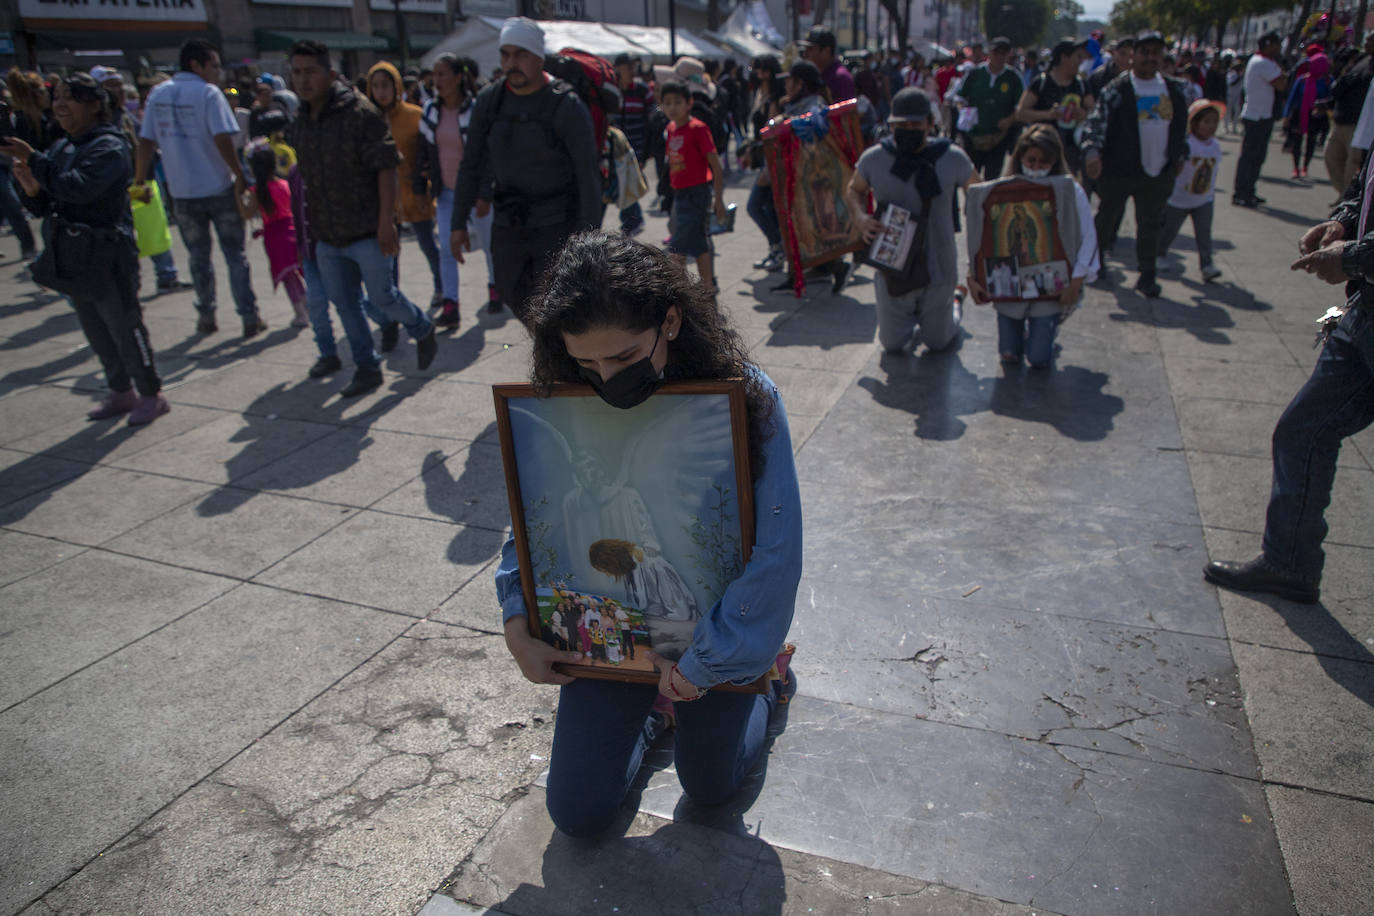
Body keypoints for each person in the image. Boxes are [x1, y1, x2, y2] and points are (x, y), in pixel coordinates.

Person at [496, 230, 801, 838]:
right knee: (578, 814)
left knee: (710, 787)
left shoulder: (747, 398)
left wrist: (711, 661)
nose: (606, 379)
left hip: (711, 632)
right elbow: (531, 525)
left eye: (624, 357)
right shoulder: (564, 394)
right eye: (587, 364)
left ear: (670, 321)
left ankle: (770, 681)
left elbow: (776, 551)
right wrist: (517, 624)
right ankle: (653, 713)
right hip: (609, 638)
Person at [1203, 148, 1374, 605]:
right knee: (1303, 430)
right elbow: (1365, 184)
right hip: (1366, 308)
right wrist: (1343, 220)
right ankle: (1289, 563)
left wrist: (1353, 257)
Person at [1, 74, 169, 425]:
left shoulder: (109, 146)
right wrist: (30, 186)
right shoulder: (62, 146)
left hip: (108, 254)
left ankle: (151, 393)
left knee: (124, 327)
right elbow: (48, 202)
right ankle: (121, 391)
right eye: (57, 97)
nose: (60, 105)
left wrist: (35, 161)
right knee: (96, 330)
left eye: (70, 97)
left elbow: (78, 189)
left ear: (94, 105)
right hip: (72, 253)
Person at [286, 39, 438, 396]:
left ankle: (421, 327)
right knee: (346, 305)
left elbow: (387, 168)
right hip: (326, 235)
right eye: (297, 72)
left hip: (368, 230)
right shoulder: (301, 120)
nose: (303, 80)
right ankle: (367, 367)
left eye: (310, 72)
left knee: (383, 298)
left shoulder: (359, 113)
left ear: (330, 74)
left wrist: (386, 222)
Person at [451, 17, 601, 323]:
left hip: (557, 222)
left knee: (558, 302)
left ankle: (555, 346)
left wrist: (589, 239)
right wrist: (457, 223)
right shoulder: (490, 102)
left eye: (520, 55)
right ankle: (548, 342)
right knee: (511, 293)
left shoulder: (566, 105)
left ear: (538, 58)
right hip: (509, 222)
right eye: (505, 55)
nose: (511, 63)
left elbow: (588, 176)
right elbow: (471, 164)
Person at [134, 39, 263, 337]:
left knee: (198, 258)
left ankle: (206, 316)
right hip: (218, 186)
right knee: (235, 256)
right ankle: (249, 317)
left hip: (182, 191)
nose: (218, 72)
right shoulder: (208, 93)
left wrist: (140, 180)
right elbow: (223, 138)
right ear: (196, 65)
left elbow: (146, 142)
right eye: (214, 65)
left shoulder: (158, 94)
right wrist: (239, 174)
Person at [845, 87, 975, 355]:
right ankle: (916, 319)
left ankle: (954, 304)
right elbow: (853, 190)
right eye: (901, 125)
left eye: (915, 125)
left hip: (939, 265)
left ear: (930, 123)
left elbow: (980, 192)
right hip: (894, 268)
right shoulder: (875, 158)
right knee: (892, 345)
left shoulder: (952, 157)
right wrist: (860, 217)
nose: (907, 130)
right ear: (891, 125)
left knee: (937, 343)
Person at [965, 124, 1098, 368]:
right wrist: (974, 275)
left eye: (1044, 162)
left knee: (1038, 359)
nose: (1036, 167)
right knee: (1009, 354)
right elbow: (983, 237)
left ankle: (1046, 332)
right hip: (1010, 284)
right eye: (1031, 160)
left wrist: (1076, 281)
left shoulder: (1071, 192)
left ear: (1055, 161)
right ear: (1020, 159)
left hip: (1050, 282)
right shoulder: (1001, 192)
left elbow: (1088, 238)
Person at [1082, 30, 1189, 298]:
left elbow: (1180, 127)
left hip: (1158, 170)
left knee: (1150, 224)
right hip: (1119, 169)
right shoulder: (1117, 89)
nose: (1150, 58)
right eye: (1145, 52)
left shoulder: (1174, 89)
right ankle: (1095, 262)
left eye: (1156, 53)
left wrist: (1180, 155)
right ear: (1134, 55)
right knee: (1107, 217)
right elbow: (1096, 123)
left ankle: (1147, 274)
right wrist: (1092, 153)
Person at [367, 59, 444, 327]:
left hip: (415, 194)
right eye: (376, 86)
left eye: (386, 85)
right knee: (390, 254)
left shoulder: (414, 116)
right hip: (385, 202)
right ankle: (392, 301)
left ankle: (442, 289)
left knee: (428, 245)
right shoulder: (367, 119)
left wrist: (425, 187)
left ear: (396, 86)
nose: (381, 92)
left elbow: (427, 155)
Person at [417, 53, 482, 327]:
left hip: (475, 193)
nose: (437, 79)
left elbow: (484, 153)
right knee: (446, 248)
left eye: (442, 73)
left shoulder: (474, 110)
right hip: (445, 192)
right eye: (434, 74)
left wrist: (485, 193)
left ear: (458, 77)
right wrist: (420, 187)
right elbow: (422, 151)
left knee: (489, 244)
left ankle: (495, 288)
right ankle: (451, 304)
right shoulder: (430, 111)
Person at [659, 80, 727, 291]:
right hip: (679, 194)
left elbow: (716, 165)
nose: (672, 107)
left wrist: (718, 199)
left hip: (697, 194)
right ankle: (707, 289)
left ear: (689, 103)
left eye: (677, 102)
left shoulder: (698, 128)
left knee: (676, 249)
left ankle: (678, 295)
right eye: (667, 103)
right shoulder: (670, 129)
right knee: (699, 245)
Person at [1158, 99, 1225, 283]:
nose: (1211, 126)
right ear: (1194, 123)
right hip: (1179, 199)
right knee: (1169, 230)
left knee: (1204, 233)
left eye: (1215, 121)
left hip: (1204, 199)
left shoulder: (1215, 146)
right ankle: (1159, 254)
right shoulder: (1186, 144)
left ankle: (1207, 265)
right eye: (1206, 121)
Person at [245, 140, 309, 327]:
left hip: (274, 238)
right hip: (292, 232)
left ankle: (300, 313)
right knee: (302, 273)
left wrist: (237, 195)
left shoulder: (257, 192)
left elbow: (247, 214)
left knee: (289, 279)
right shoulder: (284, 184)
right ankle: (309, 306)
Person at [1015, 38, 1093, 174]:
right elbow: (1021, 113)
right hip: (1041, 154)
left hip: (1071, 153)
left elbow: (1095, 112)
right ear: (1064, 57)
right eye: (1078, 56)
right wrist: (1048, 115)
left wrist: (1083, 114)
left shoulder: (1082, 85)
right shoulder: (1041, 83)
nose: (1081, 61)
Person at [1233, 33, 1289, 207]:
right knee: (1250, 157)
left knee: (1257, 157)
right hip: (1256, 116)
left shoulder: (1264, 61)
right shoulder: (1262, 62)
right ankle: (1241, 192)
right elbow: (1281, 84)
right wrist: (1283, 73)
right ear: (1269, 45)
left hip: (1262, 115)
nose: (1279, 48)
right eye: (1277, 45)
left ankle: (1249, 191)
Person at [957, 36, 1023, 180]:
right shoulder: (975, 73)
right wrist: (965, 114)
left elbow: (1021, 106)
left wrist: (1010, 119)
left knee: (992, 179)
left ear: (1008, 55)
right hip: (973, 135)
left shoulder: (1013, 78)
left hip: (998, 137)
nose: (999, 57)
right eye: (996, 52)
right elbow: (960, 98)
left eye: (1003, 53)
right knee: (970, 177)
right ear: (989, 53)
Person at [1326, 34, 1374, 197]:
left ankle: (1348, 200)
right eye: (1367, 39)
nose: (1367, 42)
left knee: (1352, 164)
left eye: (1371, 40)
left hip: (1360, 124)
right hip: (1341, 119)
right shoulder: (1362, 60)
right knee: (1331, 158)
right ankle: (1346, 197)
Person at [614, 52, 654, 237]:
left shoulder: (642, 90)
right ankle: (632, 219)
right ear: (618, 68)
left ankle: (633, 220)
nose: (632, 71)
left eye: (634, 67)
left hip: (637, 148)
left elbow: (653, 114)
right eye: (628, 67)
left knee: (627, 182)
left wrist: (647, 151)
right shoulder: (613, 90)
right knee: (623, 183)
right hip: (616, 148)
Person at [1283, 46, 1332, 180]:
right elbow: (1292, 98)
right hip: (1299, 114)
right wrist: (1286, 115)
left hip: (1316, 116)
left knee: (1311, 141)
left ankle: (1305, 167)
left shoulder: (1327, 81)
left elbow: (1331, 98)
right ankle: (1296, 168)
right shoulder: (1302, 79)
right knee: (1297, 141)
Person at [798, 26, 856, 103]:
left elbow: (845, 109)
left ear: (826, 51)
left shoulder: (841, 78)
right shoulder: (811, 76)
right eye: (805, 49)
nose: (805, 54)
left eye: (810, 49)